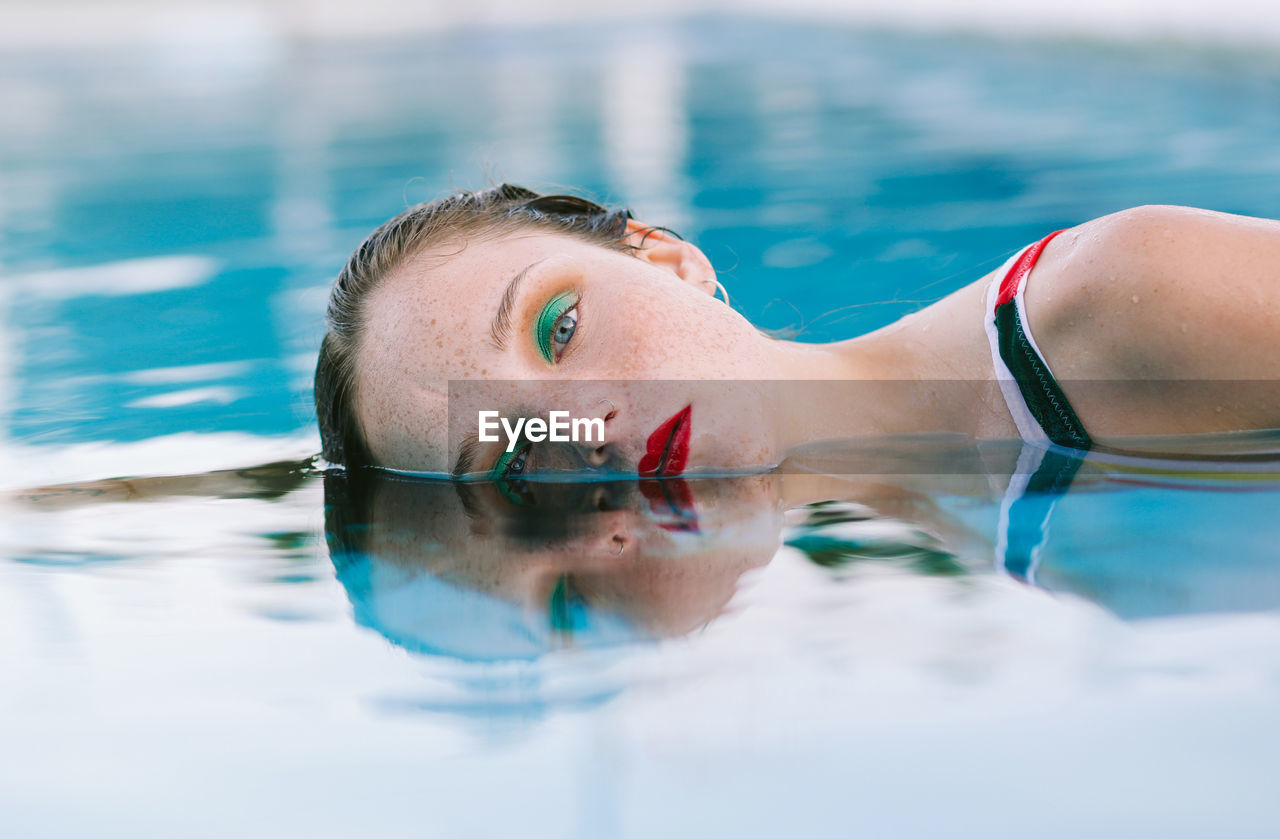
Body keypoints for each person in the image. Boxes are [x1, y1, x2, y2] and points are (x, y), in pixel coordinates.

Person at [314, 184, 1280, 479]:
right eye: (518, 453)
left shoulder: (1122, 301)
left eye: (558, 327)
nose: (584, 421)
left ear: (667, 259)